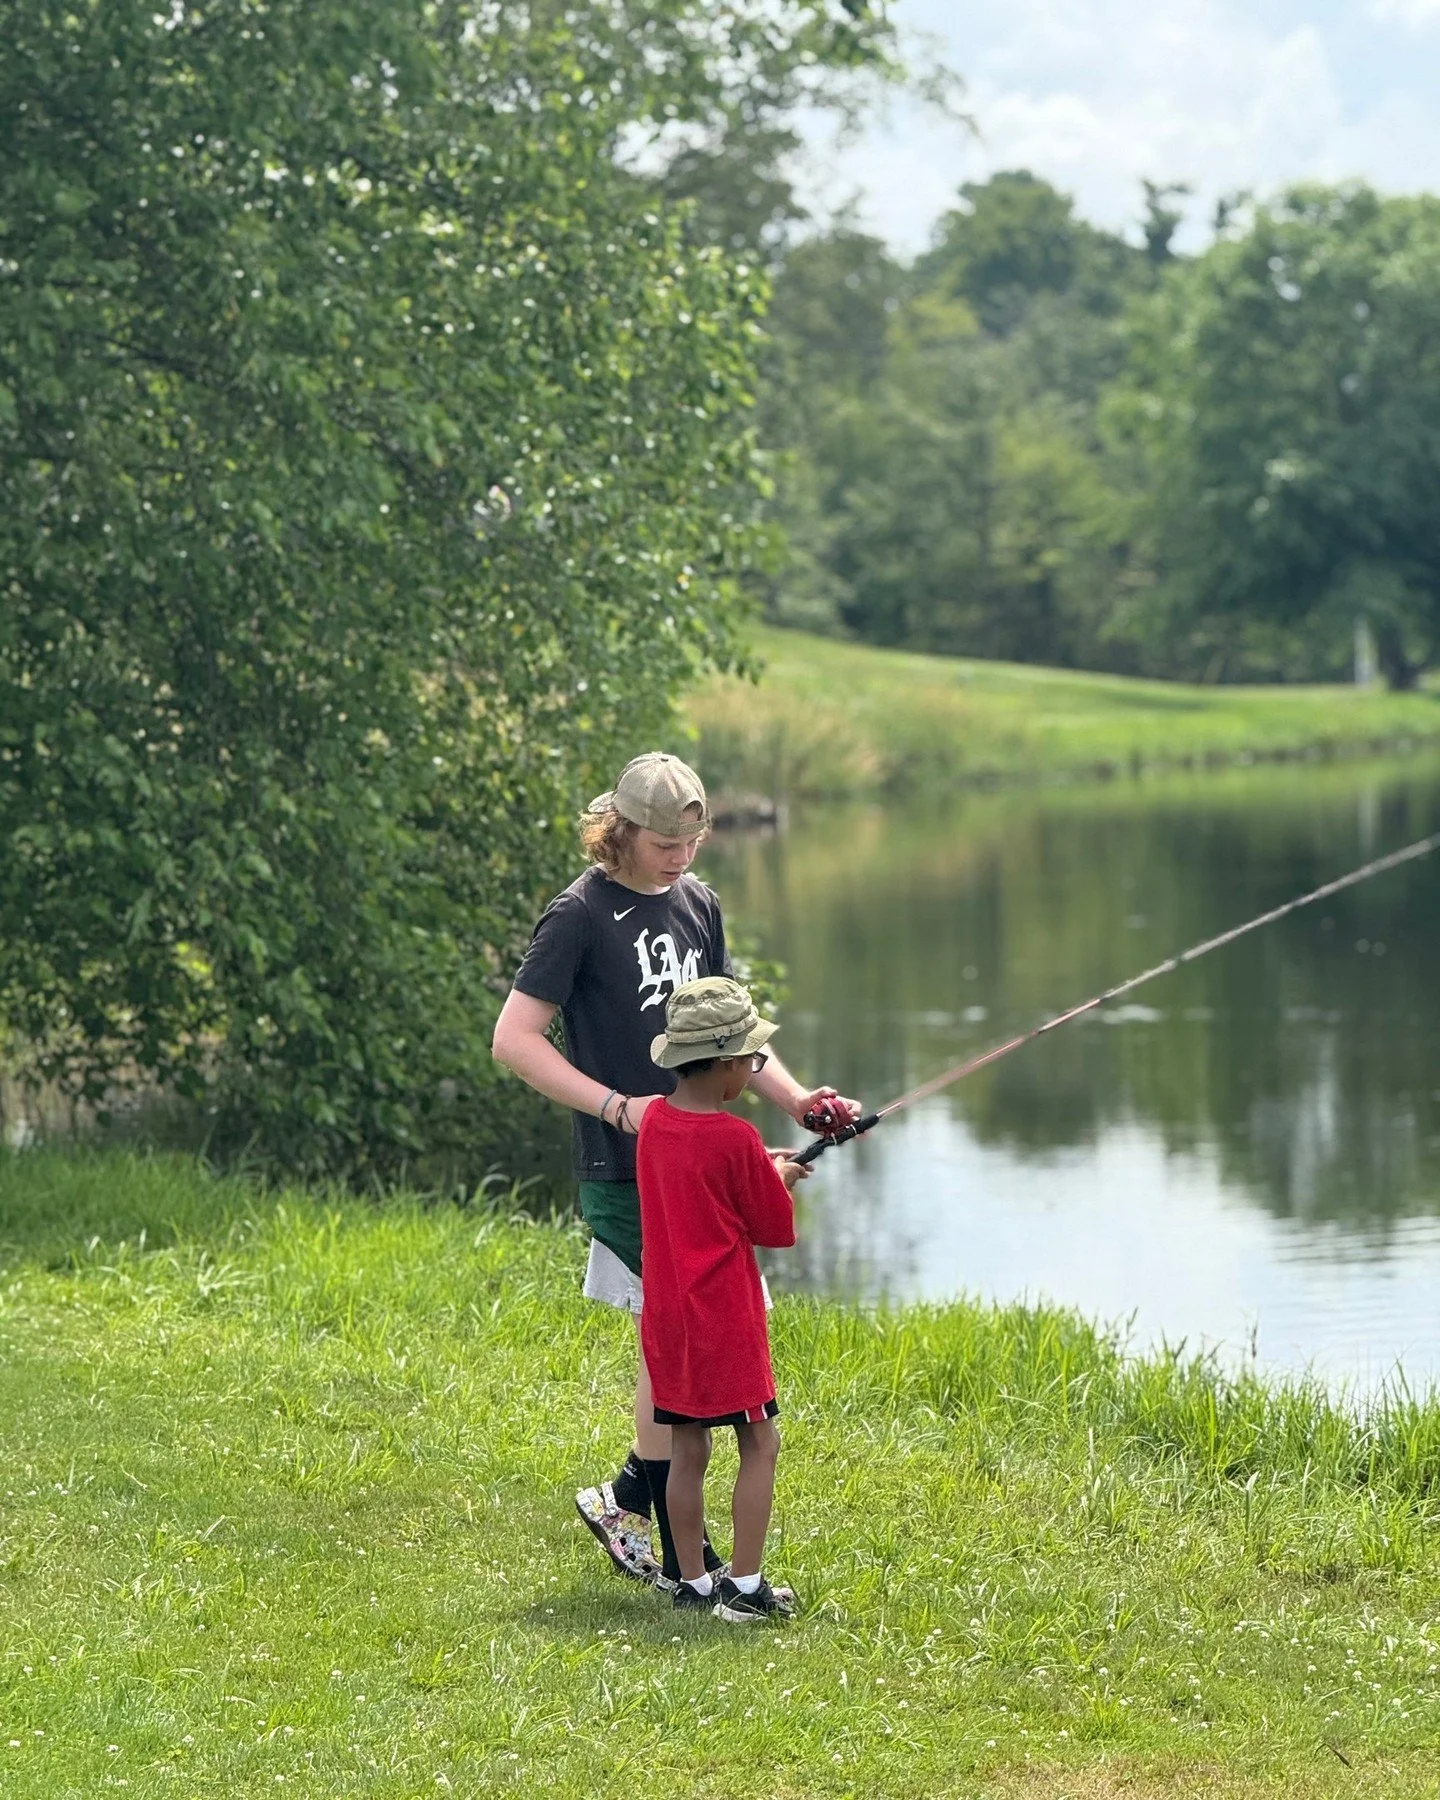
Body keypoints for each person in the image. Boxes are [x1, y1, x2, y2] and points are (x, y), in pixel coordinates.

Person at [490, 751, 857, 1589]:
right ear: (619, 829)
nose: (681, 856)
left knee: (676, 1353)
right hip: (625, 1168)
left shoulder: (699, 905)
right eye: (664, 841)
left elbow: (732, 1036)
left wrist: (800, 1103)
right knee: (680, 1344)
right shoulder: (577, 915)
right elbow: (513, 1040)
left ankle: (633, 1509)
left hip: (699, 1169)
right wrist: (621, 1108)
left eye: (693, 839)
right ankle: (677, 1549)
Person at [637, 976, 806, 1622]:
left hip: (670, 1320)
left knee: (687, 1450)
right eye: (751, 1060)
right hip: (725, 1323)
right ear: (729, 1064)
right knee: (759, 1444)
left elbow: (694, 1182)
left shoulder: (653, 1122)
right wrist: (780, 1177)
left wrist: (758, 1169)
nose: (753, 1070)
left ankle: (694, 1582)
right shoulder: (736, 1141)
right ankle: (744, 1587)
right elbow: (775, 1230)